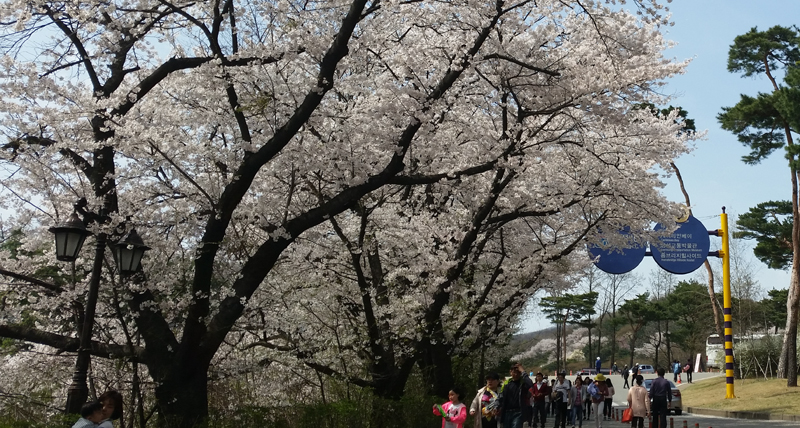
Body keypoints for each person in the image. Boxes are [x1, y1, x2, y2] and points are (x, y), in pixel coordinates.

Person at [497, 363, 533, 428]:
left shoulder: (523, 384)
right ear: (510, 372)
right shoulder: (506, 385)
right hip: (507, 412)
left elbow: (530, 384)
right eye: (514, 372)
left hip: (518, 412)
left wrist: (523, 371)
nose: (516, 374)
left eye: (518, 372)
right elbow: (502, 398)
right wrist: (498, 407)